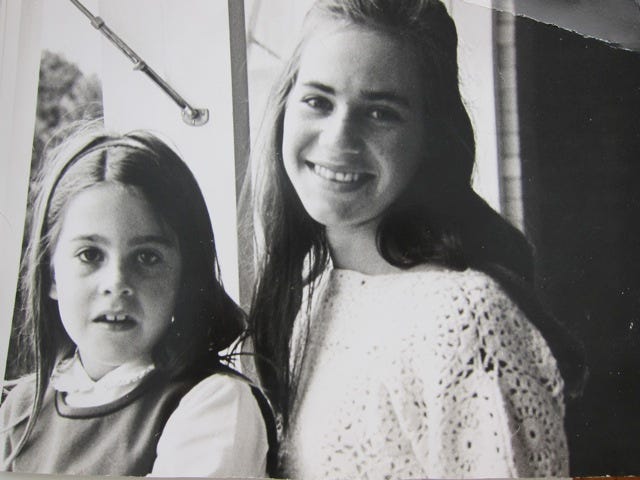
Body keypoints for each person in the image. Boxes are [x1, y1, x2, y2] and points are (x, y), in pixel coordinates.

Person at [246, 0, 584, 478]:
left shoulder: (464, 318)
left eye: (380, 112)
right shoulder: (312, 297)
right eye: (318, 101)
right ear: (285, 107)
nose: (339, 138)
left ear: (431, 137)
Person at [0, 124, 274, 477]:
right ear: (51, 275)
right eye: (89, 255)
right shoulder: (18, 411)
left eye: (146, 257)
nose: (116, 283)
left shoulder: (213, 402)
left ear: (184, 278)